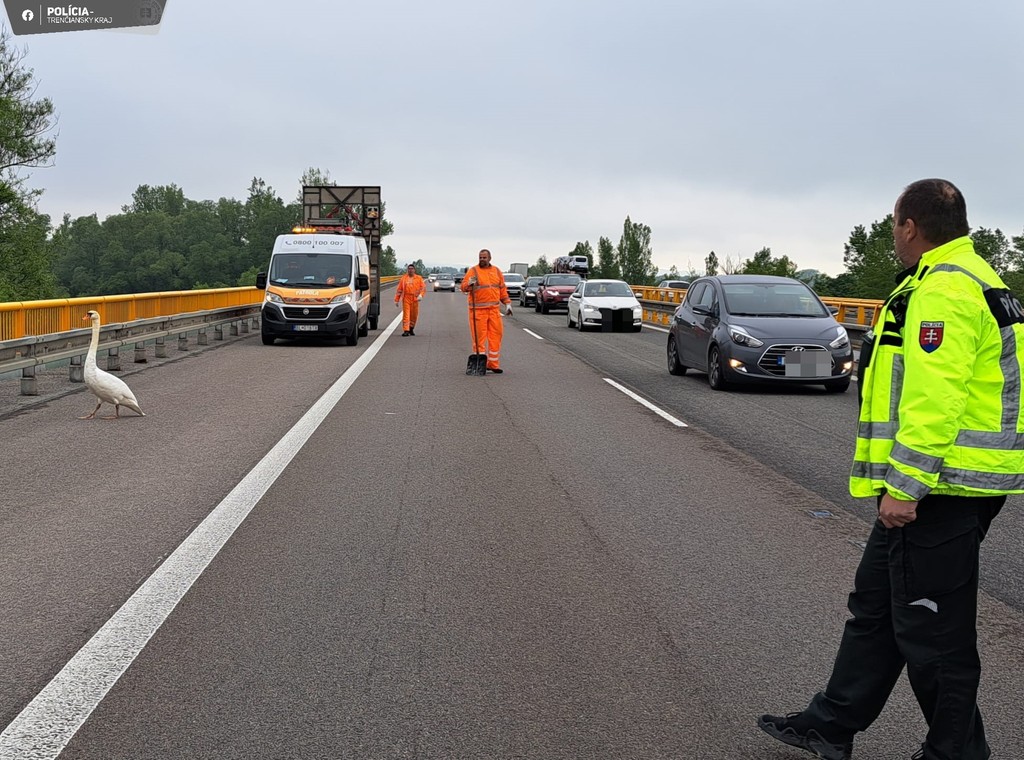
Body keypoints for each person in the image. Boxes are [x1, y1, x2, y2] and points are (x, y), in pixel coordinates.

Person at [759, 179, 1024, 760]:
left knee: (934, 632)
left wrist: (905, 486)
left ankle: (956, 752)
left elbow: (935, 399)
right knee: (876, 607)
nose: (893, 236)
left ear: (909, 226)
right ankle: (832, 723)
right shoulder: (979, 279)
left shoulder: (946, 291)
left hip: (941, 486)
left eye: (893, 226)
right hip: (946, 481)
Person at [461, 249, 513, 373]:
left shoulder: (496, 271)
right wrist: (468, 284)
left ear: (490, 258)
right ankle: (480, 363)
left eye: (484, 257)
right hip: (478, 311)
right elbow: (463, 287)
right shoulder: (473, 271)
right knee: (479, 338)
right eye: (480, 257)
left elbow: (502, 289)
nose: (482, 260)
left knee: (496, 336)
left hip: (494, 310)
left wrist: (507, 303)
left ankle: (493, 364)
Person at [394, 263, 426, 336]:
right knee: (406, 314)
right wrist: (396, 299)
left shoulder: (419, 278)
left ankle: (411, 328)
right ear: (407, 270)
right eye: (409, 269)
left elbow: (423, 288)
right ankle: (406, 330)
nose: (410, 270)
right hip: (406, 298)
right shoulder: (404, 278)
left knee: (414, 315)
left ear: (414, 270)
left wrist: (421, 295)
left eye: (412, 269)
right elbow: (399, 290)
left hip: (415, 299)